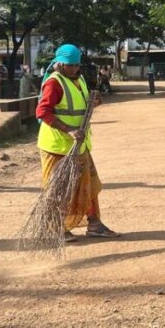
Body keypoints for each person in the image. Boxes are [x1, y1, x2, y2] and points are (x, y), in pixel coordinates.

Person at [35, 44, 119, 239]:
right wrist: (69, 130)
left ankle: (95, 224)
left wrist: (94, 101)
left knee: (88, 186)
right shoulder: (54, 83)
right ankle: (55, 227)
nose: (75, 69)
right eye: (71, 66)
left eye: (77, 65)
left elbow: (77, 106)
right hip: (56, 146)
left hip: (79, 145)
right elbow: (42, 112)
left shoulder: (77, 78)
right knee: (58, 189)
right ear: (60, 64)